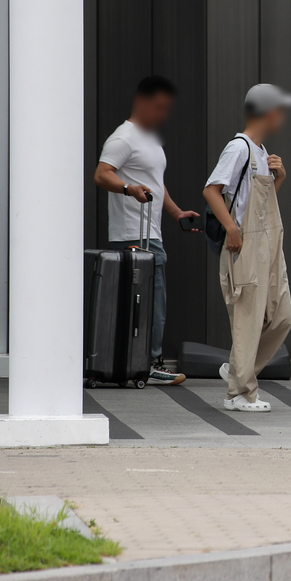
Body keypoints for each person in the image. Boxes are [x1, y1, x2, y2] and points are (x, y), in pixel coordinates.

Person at [94, 75, 202, 386]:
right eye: (158, 107)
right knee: (151, 301)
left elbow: (156, 184)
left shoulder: (150, 140)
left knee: (150, 300)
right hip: (134, 234)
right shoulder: (123, 138)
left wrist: (177, 212)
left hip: (151, 232)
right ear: (141, 102)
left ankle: (142, 361)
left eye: (167, 108)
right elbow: (102, 175)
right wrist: (128, 188)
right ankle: (149, 362)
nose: (162, 114)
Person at [202, 83, 291, 412]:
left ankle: (238, 370)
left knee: (282, 317)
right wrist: (231, 228)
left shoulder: (261, 149)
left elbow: (259, 203)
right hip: (245, 245)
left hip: (270, 244)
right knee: (248, 318)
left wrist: (279, 177)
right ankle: (240, 394)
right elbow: (212, 190)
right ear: (270, 113)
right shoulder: (239, 148)